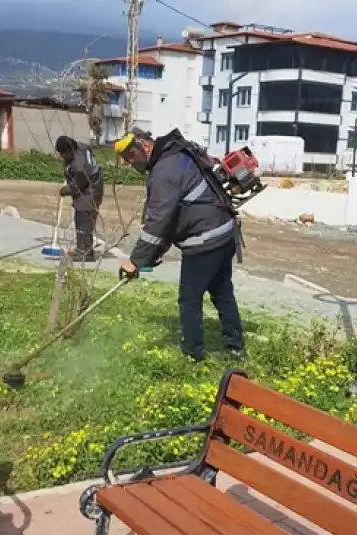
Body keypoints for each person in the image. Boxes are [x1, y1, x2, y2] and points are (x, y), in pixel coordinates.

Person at [114, 128, 245, 362]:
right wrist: (151, 256)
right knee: (222, 290)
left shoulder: (164, 170)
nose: (130, 162)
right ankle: (235, 347)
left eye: (131, 155)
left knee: (189, 299)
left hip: (205, 240)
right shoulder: (176, 155)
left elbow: (158, 222)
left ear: (144, 146)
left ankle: (192, 354)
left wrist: (135, 262)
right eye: (125, 160)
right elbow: (172, 217)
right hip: (224, 231)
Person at [55, 136, 104, 262]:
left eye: (63, 154)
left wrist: (64, 190)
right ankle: (82, 248)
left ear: (70, 150)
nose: (62, 157)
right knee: (81, 218)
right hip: (89, 186)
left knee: (84, 219)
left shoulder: (79, 166)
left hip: (91, 190)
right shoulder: (81, 146)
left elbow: (76, 186)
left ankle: (85, 252)